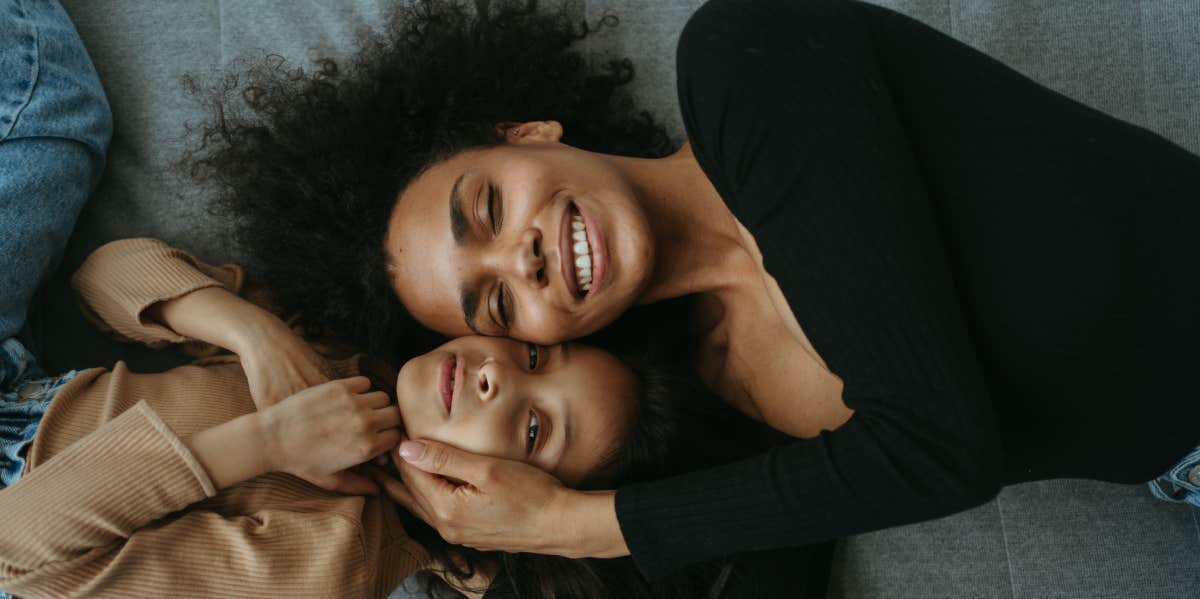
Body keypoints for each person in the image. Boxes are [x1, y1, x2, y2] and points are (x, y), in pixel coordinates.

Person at [185, 0, 1200, 589]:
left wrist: (569, 523)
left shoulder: (748, 60)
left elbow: (944, 447)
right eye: (495, 307)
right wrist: (479, 549)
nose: (522, 263)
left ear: (531, 131)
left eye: (486, 207)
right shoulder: (719, 397)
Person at [0, 237, 763, 599]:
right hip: (23, 380)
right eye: (532, 357)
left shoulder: (333, 560)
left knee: (59, 104)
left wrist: (265, 439)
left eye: (533, 430)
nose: (497, 376)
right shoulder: (345, 358)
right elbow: (100, 276)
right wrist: (254, 333)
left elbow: (17, 556)